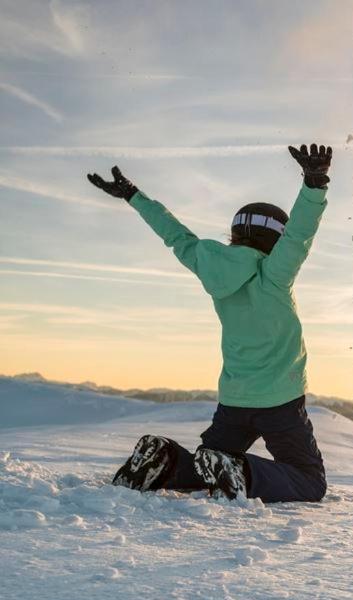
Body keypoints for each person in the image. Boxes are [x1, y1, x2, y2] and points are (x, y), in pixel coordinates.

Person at [87, 143, 333, 503]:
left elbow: (176, 236)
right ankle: (243, 472)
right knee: (310, 482)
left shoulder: (209, 265)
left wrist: (134, 196)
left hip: (233, 399)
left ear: (235, 234)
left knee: (204, 466)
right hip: (279, 401)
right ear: (275, 240)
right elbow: (300, 236)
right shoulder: (274, 276)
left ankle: (166, 461)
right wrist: (314, 184)